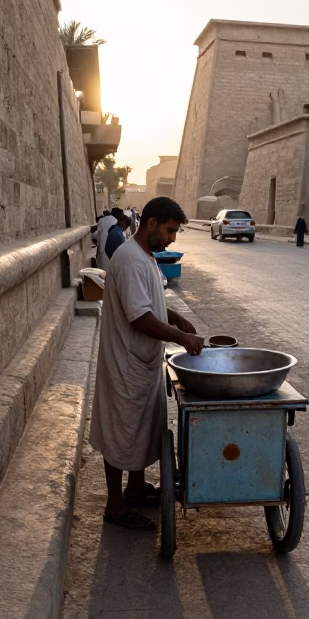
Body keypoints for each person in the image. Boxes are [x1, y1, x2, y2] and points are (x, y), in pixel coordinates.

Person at [89, 196, 203, 530]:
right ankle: (115, 504)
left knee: (138, 429)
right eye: (170, 230)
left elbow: (149, 303)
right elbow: (139, 317)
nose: (173, 238)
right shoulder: (129, 260)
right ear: (151, 223)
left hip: (142, 362)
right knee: (120, 430)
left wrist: (177, 317)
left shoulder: (145, 257)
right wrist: (181, 338)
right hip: (125, 361)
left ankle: (135, 487)